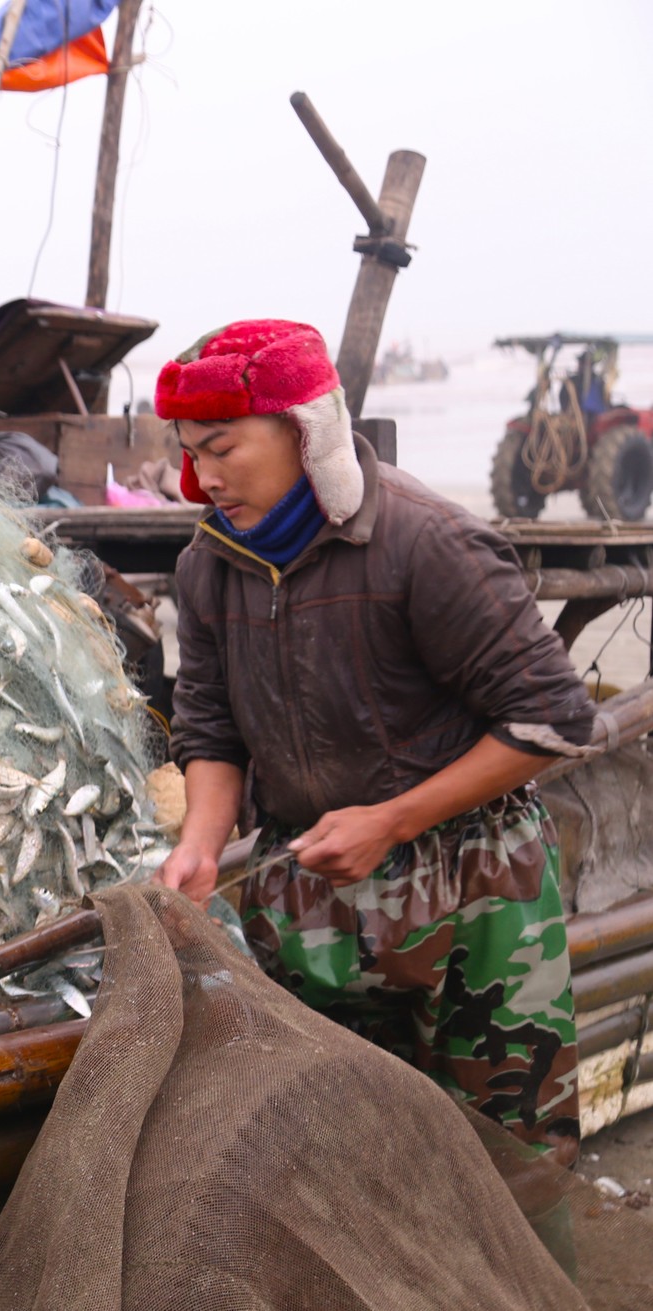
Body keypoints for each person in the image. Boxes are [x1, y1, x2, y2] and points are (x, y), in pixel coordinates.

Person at [153, 320, 595, 1165]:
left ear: (302, 429)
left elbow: (551, 719)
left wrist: (391, 821)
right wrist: (202, 845)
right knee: (341, 1163)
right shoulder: (206, 567)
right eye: (189, 452)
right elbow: (211, 727)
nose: (203, 479)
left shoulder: (426, 541)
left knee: (509, 1161)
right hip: (307, 889)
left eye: (223, 448)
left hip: (472, 888)